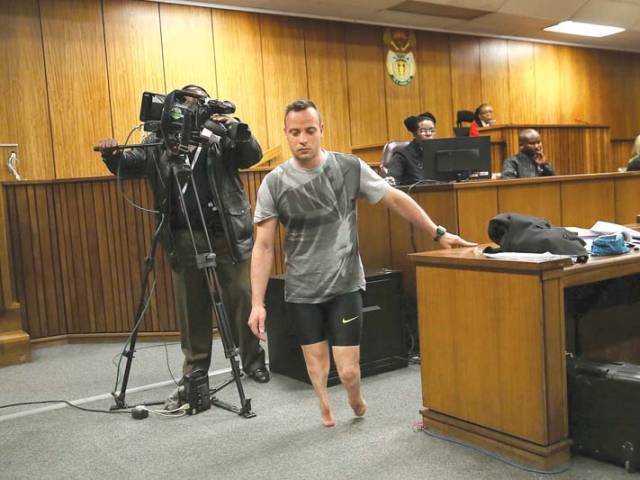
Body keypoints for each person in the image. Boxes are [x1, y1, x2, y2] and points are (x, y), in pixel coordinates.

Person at [248, 99, 476, 427]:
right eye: (295, 132)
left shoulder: (348, 168)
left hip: (344, 283)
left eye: (310, 131)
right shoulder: (274, 182)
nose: (302, 139)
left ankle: (354, 396)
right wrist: (257, 303)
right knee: (316, 365)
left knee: (349, 370)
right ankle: (324, 406)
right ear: (285, 133)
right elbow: (264, 246)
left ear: (321, 131)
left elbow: (395, 198)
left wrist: (437, 232)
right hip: (301, 288)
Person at [96, 85, 270, 408]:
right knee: (192, 306)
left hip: (225, 230)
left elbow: (252, 154)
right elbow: (129, 164)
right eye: (187, 100)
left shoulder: (218, 135)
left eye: (199, 101)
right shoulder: (158, 140)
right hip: (184, 234)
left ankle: (254, 361)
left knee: (242, 297)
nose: (192, 106)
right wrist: (111, 154)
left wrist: (232, 126)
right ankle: (195, 372)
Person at [385, 112, 437, 185]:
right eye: (423, 131)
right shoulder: (402, 154)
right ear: (414, 133)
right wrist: (391, 179)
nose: (428, 134)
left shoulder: (439, 151)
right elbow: (393, 177)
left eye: (432, 130)